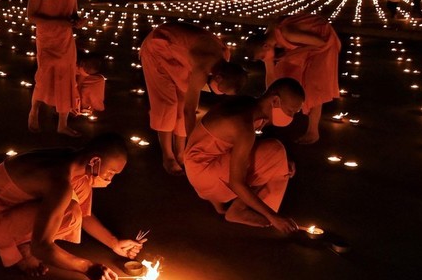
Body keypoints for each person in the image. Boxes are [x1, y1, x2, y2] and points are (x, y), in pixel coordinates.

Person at [0, 133, 145, 280]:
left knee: (77, 198)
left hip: (15, 208)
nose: (110, 179)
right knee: (70, 212)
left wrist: (114, 243)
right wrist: (88, 267)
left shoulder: (74, 162)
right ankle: (19, 245)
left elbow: (85, 215)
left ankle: (24, 240)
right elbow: (41, 248)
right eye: (111, 172)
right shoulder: (59, 179)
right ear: (95, 161)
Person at [184, 78, 303, 232]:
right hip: (204, 173)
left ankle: (222, 201)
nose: (291, 117)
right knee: (276, 152)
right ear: (275, 101)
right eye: (291, 111)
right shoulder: (243, 125)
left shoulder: (249, 104)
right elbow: (236, 183)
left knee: (276, 158)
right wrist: (272, 216)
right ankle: (241, 210)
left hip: (197, 166)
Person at [139, 22, 239, 175]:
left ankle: (180, 153)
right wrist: (194, 144)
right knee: (167, 103)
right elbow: (189, 111)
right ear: (218, 78)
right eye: (222, 90)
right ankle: (168, 156)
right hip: (157, 47)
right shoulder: (203, 65)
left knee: (183, 98)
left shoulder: (224, 57)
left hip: (179, 58)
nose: (220, 94)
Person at [245, 13, 341, 144]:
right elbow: (271, 74)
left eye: (262, 57)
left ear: (265, 46)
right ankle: (287, 101)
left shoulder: (288, 34)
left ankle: (313, 131)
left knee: (314, 85)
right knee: (283, 71)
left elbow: (321, 43)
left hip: (323, 42)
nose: (264, 60)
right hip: (306, 45)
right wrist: (268, 104)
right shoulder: (268, 41)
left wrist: (291, 54)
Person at [27, 0, 85, 136]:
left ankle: (62, 124)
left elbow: (73, 12)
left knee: (66, 78)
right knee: (44, 76)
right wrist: (59, 22)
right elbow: (31, 16)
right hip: (47, 39)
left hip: (65, 39)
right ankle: (34, 111)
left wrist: (78, 21)